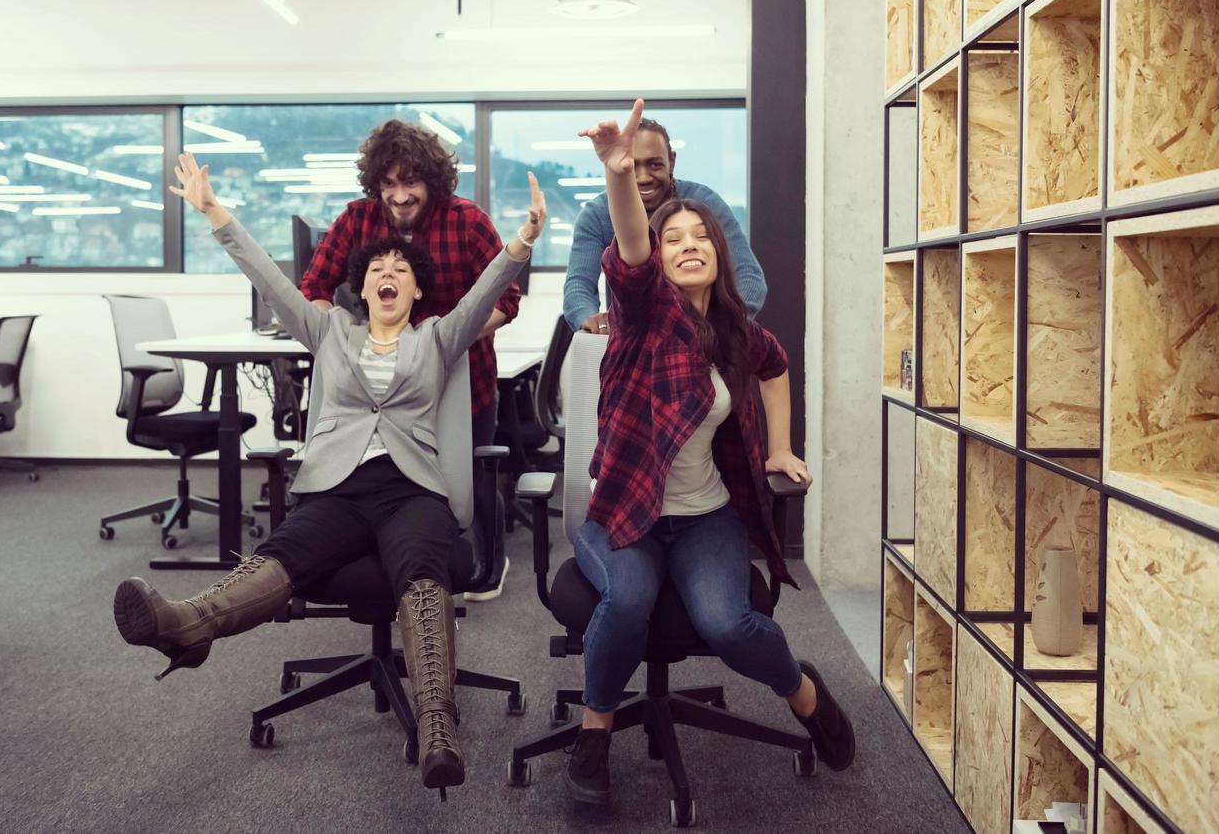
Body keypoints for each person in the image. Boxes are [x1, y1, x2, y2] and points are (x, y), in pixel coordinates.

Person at [111, 152, 547, 796]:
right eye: (377, 269)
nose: (389, 274)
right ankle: (185, 624)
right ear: (362, 287)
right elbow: (269, 276)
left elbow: (488, 289)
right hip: (337, 489)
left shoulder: (438, 337)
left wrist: (524, 239)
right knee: (282, 552)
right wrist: (212, 212)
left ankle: (436, 727)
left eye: (401, 269)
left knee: (423, 571)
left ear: (418, 290)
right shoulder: (327, 330)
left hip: (412, 489)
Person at [562, 101, 855, 806]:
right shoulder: (640, 315)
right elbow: (629, 245)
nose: (688, 244)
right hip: (624, 511)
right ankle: (595, 730)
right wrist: (619, 175)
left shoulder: (733, 331)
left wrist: (780, 447)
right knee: (627, 599)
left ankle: (804, 691)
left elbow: (778, 366)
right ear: (657, 260)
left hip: (704, 516)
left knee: (729, 622)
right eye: (674, 239)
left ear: (719, 254)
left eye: (702, 237)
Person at [299, 119, 518, 598]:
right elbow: (312, 288)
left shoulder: (468, 221)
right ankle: (400, 557)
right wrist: (338, 337)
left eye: (411, 182)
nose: (399, 196)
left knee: (471, 475)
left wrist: (439, 344)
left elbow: (507, 300)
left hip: (463, 381)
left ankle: (489, 562)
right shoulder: (357, 219)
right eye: (389, 184)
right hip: (381, 386)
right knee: (400, 483)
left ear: (432, 182)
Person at [562, 115, 766, 336]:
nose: (643, 177)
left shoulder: (705, 204)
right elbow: (578, 285)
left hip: (708, 337)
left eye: (654, 164)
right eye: (631, 165)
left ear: (672, 161)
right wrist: (590, 320)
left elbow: (748, 276)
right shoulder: (598, 215)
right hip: (635, 339)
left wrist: (725, 326)